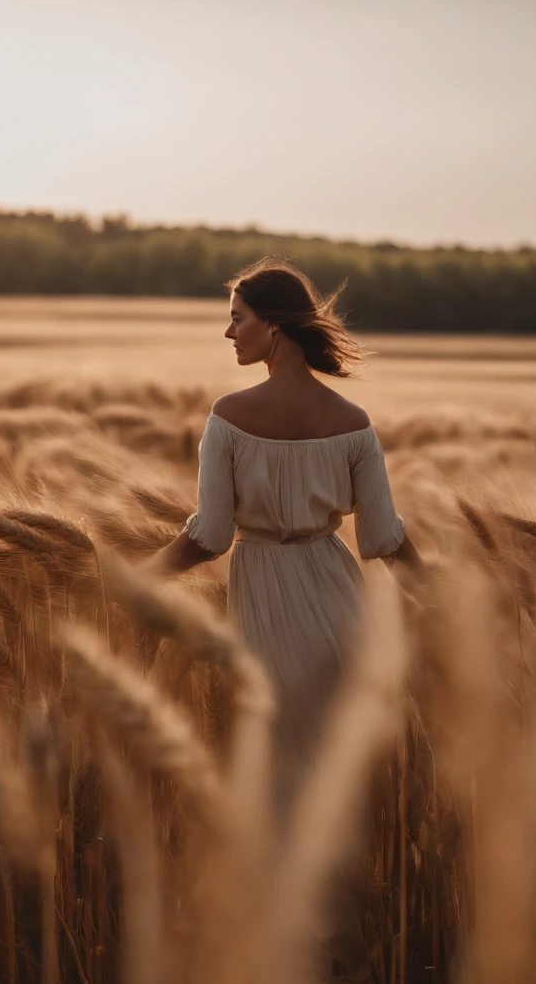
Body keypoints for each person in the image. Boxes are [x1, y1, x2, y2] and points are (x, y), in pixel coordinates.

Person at [148, 256, 420, 816]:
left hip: (265, 593)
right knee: (336, 770)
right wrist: (441, 589)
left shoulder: (228, 418)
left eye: (237, 318)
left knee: (276, 769)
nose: (228, 332)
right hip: (340, 594)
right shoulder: (353, 421)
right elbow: (383, 539)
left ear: (273, 325)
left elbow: (210, 536)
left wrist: (134, 577)